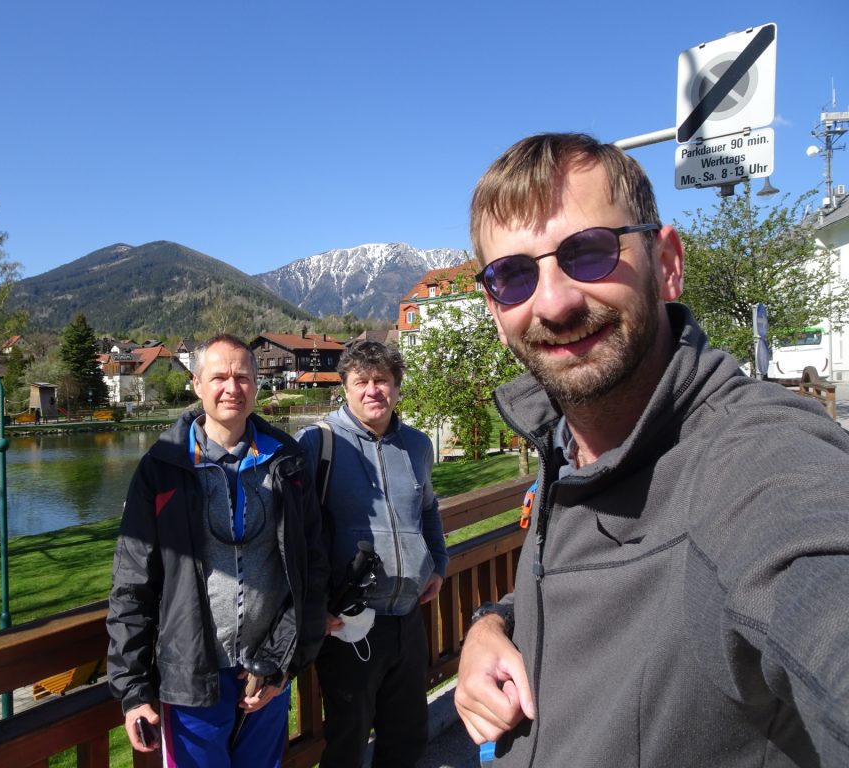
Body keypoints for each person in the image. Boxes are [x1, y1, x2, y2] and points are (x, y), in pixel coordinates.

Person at [453, 132, 849, 767]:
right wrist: (490, 625)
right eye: (514, 275)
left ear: (667, 263)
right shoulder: (565, 448)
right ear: (495, 306)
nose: (553, 302)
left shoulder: (751, 456)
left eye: (589, 253)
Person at [106, 334, 328, 767]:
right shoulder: (162, 468)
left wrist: (280, 662)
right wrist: (133, 689)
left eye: (243, 377)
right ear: (197, 384)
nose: (232, 387)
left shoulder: (287, 461)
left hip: (263, 675)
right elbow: (133, 583)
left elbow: (311, 570)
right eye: (219, 377)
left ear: (257, 384)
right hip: (191, 677)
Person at [297, 340, 448, 768]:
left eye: (382, 381)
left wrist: (437, 562)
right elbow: (293, 533)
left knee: (406, 737)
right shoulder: (316, 444)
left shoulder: (417, 445)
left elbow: (428, 509)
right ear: (344, 388)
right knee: (346, 741)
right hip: (347, 624)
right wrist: (314, 604)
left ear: (397, 387)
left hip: (408, 617)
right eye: (360, 381)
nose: (372, 391)